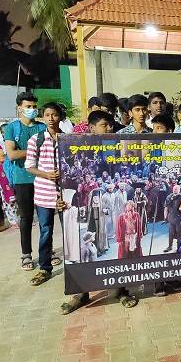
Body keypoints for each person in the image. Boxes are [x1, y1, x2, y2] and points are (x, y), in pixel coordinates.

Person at [60, 111, 138, 314]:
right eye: (105, 125)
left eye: (111, 125)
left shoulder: (112, 151)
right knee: (80, 249)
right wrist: (62, 199)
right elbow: (65, 180)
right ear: (91, 128)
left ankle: (120, 290)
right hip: (79, 209)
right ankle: (81, 293)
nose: (110, 129)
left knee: (113, 247)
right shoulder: (75, 147)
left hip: (105, 205)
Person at [24, 102, 66, 286]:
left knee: (69, 231)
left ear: (60, 117)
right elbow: (29, 166)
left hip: (64, 194)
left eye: (54, 114)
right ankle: (44, 268)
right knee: (46, 231)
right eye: (47, 115)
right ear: (43, 117)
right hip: (43, 192)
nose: (51, 118)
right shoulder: (36, 139)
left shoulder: (68, 138)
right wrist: (46, 174)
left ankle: (74, 266)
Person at [4, 92, 47, 270]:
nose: (32, 110)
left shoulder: (41, 128)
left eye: (34, 106)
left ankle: (47, 252)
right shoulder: (12, 128)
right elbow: (12, 154)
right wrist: (34, 149)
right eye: (28, 106)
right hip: (22, 178)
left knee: (46, 218)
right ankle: (26, 254)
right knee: (26, 217)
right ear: (19, 108)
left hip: (42, 177)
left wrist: (26, 151)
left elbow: (47, 150)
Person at [0, 129, 18, 227]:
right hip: (4, 174)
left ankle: (20, 219)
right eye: (4, 131)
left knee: (18, 197)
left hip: (15, 172)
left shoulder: (16, 143)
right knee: (8, 198)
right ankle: (12, 220)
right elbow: (1, 158)